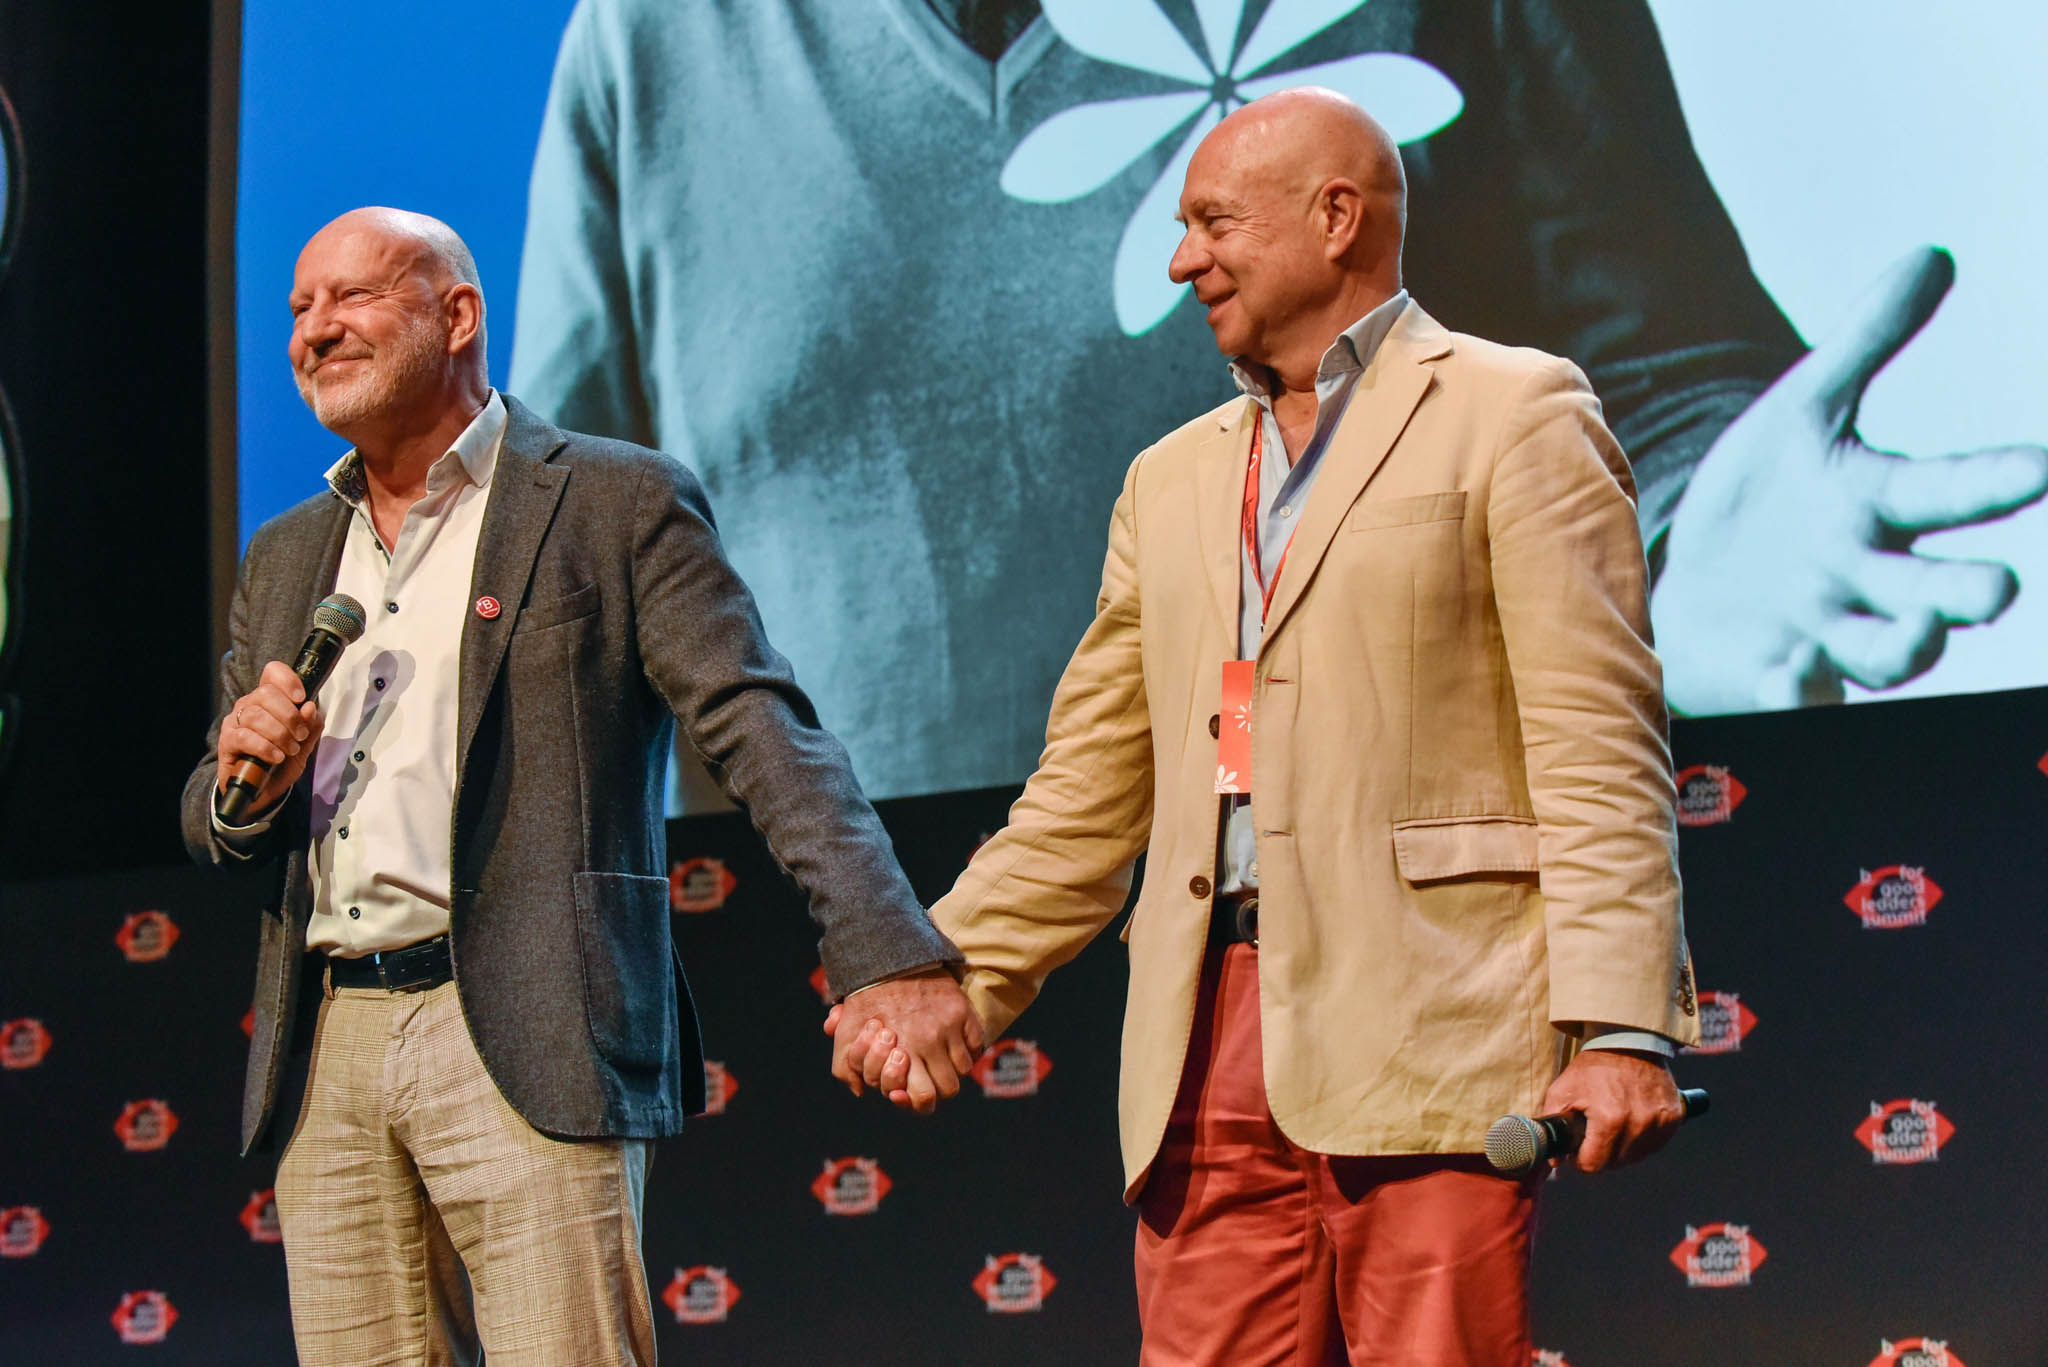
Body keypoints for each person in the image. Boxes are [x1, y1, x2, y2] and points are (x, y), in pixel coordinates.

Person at [510, 0, 2047, 814]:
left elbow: (1656, 392)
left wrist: (1690, 544)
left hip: (1358, 997)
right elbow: (568, 595)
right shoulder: (644, 47)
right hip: (852, 1052)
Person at [837, 89, 1699, 1362]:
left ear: (1335, 217)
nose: (1180, 260)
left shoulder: (1514, 410)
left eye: (1211, 222)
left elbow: (1597, 747)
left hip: (1435, 1019)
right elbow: (1089, 788)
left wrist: (1621, 1026)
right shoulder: (1171, 476)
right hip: (1205, 1037)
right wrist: (943, 973)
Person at [179, 208, 981, 1365]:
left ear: (458, 314)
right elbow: (215, 815)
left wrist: (882, 944)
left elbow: (758, 727)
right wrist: (244, 785)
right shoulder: (287, 550)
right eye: (300, 308)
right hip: (328, 1048)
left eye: (350, 297)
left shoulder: (609, 499)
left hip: (525, 1026)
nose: (314, 330)